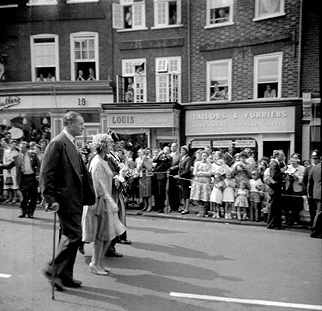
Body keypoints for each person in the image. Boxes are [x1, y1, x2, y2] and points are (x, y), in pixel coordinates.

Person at [40, 111, 95, 291]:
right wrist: (50, 198)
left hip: (75, 199)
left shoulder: (71, 142)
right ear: (70, 123)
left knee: (70, 236)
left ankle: (65, 275)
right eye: (80, 124)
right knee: (74, 236)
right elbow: (46, 173)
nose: (83, 127)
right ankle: (53, 268)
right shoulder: (57, 143)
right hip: (65, 199)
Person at [82, 134, 126, 275]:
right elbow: (98, 185)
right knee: (101, 236)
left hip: (104, 201)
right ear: (103, 145)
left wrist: (119, 177)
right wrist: (110, 201)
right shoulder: (97, 162)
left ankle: (99, 263)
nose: (112, 146)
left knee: (107, 235)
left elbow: (106, 180)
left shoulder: (102, 160)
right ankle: (95, 263)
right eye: (110, 144)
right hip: (99, 202)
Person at [16, 142, 40, 218]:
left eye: (22, 147)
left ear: (26, 148)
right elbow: (12, 165)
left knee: (33, 197)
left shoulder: (32, 154)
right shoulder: (18, 156)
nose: (21, 149)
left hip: (32, 178)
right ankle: (23, 212)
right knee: (23, 197)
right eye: (20, 147)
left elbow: (38, 165)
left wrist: (37, 175)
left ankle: (30, 213)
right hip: (23, 178)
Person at [265, 150, 285, 229]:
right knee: (274, 207)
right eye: (282, 155)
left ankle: (274, 224)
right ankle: (272, 224)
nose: (283, 157)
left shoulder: (278, 163)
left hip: (275, 187)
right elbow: (273, 177)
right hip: (274, 188)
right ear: (277, 156)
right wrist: (282, 172)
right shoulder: (274, 163)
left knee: (276, 206)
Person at [283, 153, 305, 226]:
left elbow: (303, 179)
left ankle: (294, 220)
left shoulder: (302, 168)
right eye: (292, 158)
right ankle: (287, 220)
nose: (294, 160)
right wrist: (286, 176)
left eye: (295, 158)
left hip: (297, 188)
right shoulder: (287, 167)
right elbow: (283, 177)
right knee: (287, 205)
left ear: (298, 160)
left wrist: (297, 177)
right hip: (288, 187)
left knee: (296, 206)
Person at [190, 151, 212, 217]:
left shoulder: (209, 164)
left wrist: (201, 173)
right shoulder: (197, 163)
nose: (204, 157)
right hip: (198, 182)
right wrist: (204, 173)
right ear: (201, 156)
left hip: (206, 183)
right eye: (203, 156)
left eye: (205, 156)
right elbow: (194, 173)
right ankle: (200, 211)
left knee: (205, 197)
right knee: (198, 197)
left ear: (207, 157)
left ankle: (205, 212)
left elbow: (210, 173)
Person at [303, 150, 320, 227]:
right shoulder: (308, 168)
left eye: (316, 158)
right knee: (312, 210)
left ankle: (316, 226)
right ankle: (313, 225)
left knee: (318, 211)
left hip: (316, 192)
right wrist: (307, 193)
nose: (314, 160)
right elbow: (306, 182)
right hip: (311, 193)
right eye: (313, 158)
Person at [153, 146, 172, 212]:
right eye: (165, 150)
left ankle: (161, 207)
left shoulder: (169, 157)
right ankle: (157, 206)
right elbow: (154, 160)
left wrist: (165, 157)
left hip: (162, 176)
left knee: (161, 192)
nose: (166, 151)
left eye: (167, 150)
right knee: (156, 192)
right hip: (156, 176)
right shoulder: (160, 156)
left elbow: (167, 164)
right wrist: (159, 154)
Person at [176, 146, 192, 215]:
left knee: (186, 193)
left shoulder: (188, 158)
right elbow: (179, 167)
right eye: (181, 150)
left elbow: (187, 169)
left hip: (185, 178)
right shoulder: (181, 158)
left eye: (183, 150)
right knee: (183, 193)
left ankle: (187, 208)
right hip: (181, 178)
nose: (181, 151)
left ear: (186, 151)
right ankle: (184, 207)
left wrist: (179, 175)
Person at [308, 162, 322, 238]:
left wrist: (309, 193)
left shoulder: (315, 167)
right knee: (319, 212)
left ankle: (316, 230)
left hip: (316, 192)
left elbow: (310, 181)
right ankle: (315, 231)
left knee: (318, 212)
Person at [168, 142, 180, 212]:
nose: (173, 148)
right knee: (170, 191)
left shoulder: (179, 155)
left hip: (175, 174)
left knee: (176, 191)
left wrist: (172, 168)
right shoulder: (169, 155)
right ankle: (171, 206)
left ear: (176, 147)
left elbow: (179, 165)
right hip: (168, 174)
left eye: (174, 146)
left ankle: (176, 206)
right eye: (172, 146)